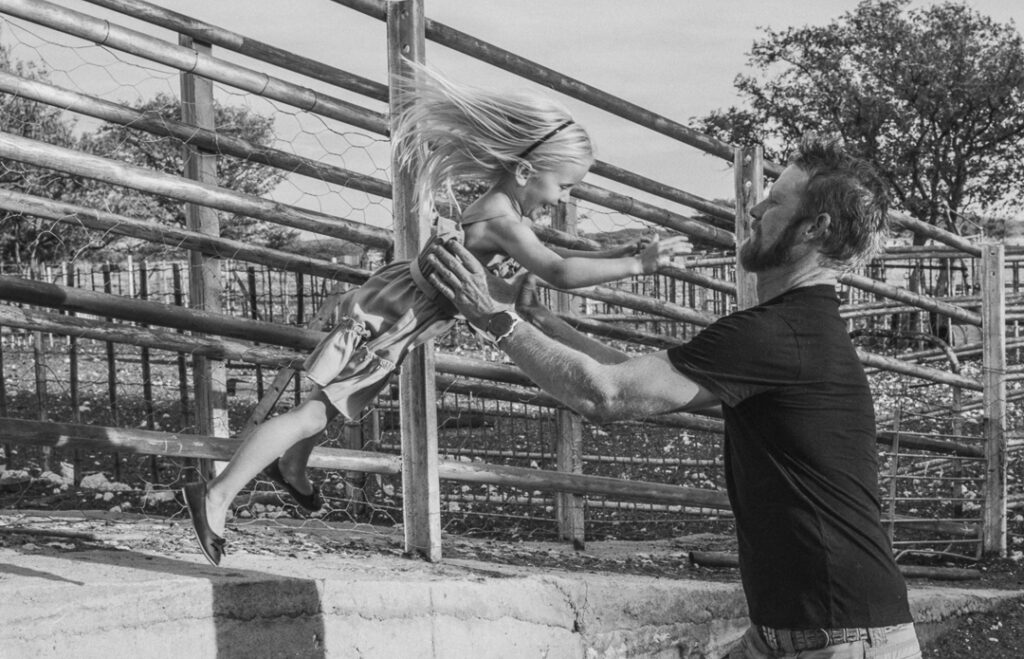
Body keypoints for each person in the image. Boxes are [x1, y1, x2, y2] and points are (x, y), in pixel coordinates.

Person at [425, 135, 921, 659]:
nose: (755, 209)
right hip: (804, 631)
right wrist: (540, 323)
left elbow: (606, 396)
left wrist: (494, 320)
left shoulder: (781, 334)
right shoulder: (795, 331)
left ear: (815, 229)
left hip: (842, 640)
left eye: (775, 202)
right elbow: (634, 377)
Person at [181, 65, 688, 566]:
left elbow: (515, 278)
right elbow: (557, 270)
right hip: (396, 318)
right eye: (564, 187)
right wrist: (634, 262)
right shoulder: (502, 220)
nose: (564, 199)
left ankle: (292, 467)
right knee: (313, 412)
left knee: (328, 404)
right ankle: (217, 496)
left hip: (396, 308)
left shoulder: (493, 214)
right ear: (527, 172)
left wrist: (600, 259)